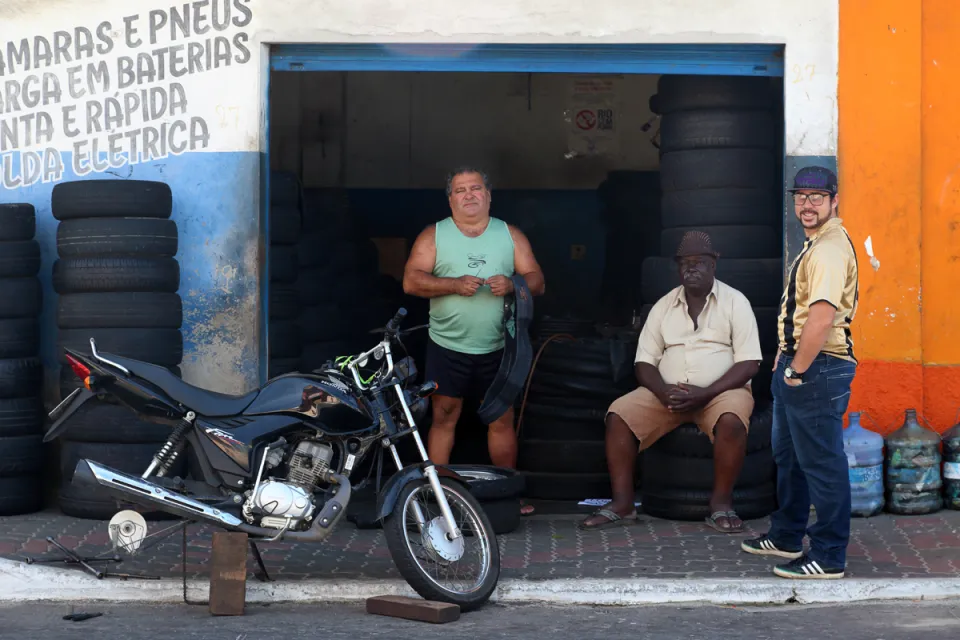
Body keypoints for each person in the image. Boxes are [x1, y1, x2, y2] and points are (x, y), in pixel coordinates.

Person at [581, 231, 762, 533]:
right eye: (685, 263)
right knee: (618, 415)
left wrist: (706, 393)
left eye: (700, 262)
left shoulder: (735, 302)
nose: (691, 268)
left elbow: (749, 362)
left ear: (713, 266)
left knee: (731, 421)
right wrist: (662, 391)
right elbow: (644, 362)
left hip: (721, 392)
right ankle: (623, 504)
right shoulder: (663, 306)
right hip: (668, 394)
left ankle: (721, 505)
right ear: (677, 268)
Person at [402, 167, 545, 516]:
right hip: (447, 345)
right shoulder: (433, 235)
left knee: (501, 420)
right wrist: (453, 284)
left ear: (489, 195)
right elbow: (411, 282)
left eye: (476, 188)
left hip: (500, 346)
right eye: (460, 190)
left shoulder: (509, 235)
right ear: (450, 199)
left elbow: (537, 280)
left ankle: (509, 493)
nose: (469, 195)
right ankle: (438, 496)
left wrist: (514, 284)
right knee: (444, 416)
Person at [741, 166, 859, 580]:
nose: (807, 205)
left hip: (817, 369)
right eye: (801, 197)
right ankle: (788, 534)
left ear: (834, 200)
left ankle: (828, 555)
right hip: (800, 364)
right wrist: (784, 359)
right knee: (789, 457)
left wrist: (796, 370)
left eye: (817, 197)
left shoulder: (828, 249)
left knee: (822, 464)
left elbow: (822, 317)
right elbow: (801, 312)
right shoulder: (816, 243)